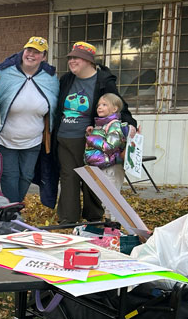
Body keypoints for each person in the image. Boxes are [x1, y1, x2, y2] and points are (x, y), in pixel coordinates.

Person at [53, 41, 137, 224]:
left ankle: (94, 218)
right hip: (64, 138)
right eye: (70, 58)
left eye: (76, 58)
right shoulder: (67, 79)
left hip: (88, 139)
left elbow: (118, 105)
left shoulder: (103, 81)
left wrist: (131, 125)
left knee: (91, 178)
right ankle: (68, 220)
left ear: (89, 61)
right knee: (68, 178)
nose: (71, 61)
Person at [0, 36, 59, 203]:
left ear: (43, 57)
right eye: (29, 50)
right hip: (5, 139)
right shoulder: (4, 73)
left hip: (33, 141)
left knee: (27, 176)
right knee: (10, 176)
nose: (31, 55)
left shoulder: (50, 78)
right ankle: (13, 211)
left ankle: (13, 207)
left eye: (37, 52)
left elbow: (55, 104)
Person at [84, 93, 127, 191]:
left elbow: (110, 146)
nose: (99, 107)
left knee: (111, 197)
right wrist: (91, 134)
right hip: (102, 167)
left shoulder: (114, 125)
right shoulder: (101, 125)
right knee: (104, 197)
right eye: (98, 105)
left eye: (104, 105)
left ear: (114, 109)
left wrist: (92, 138)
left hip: (111, 169)